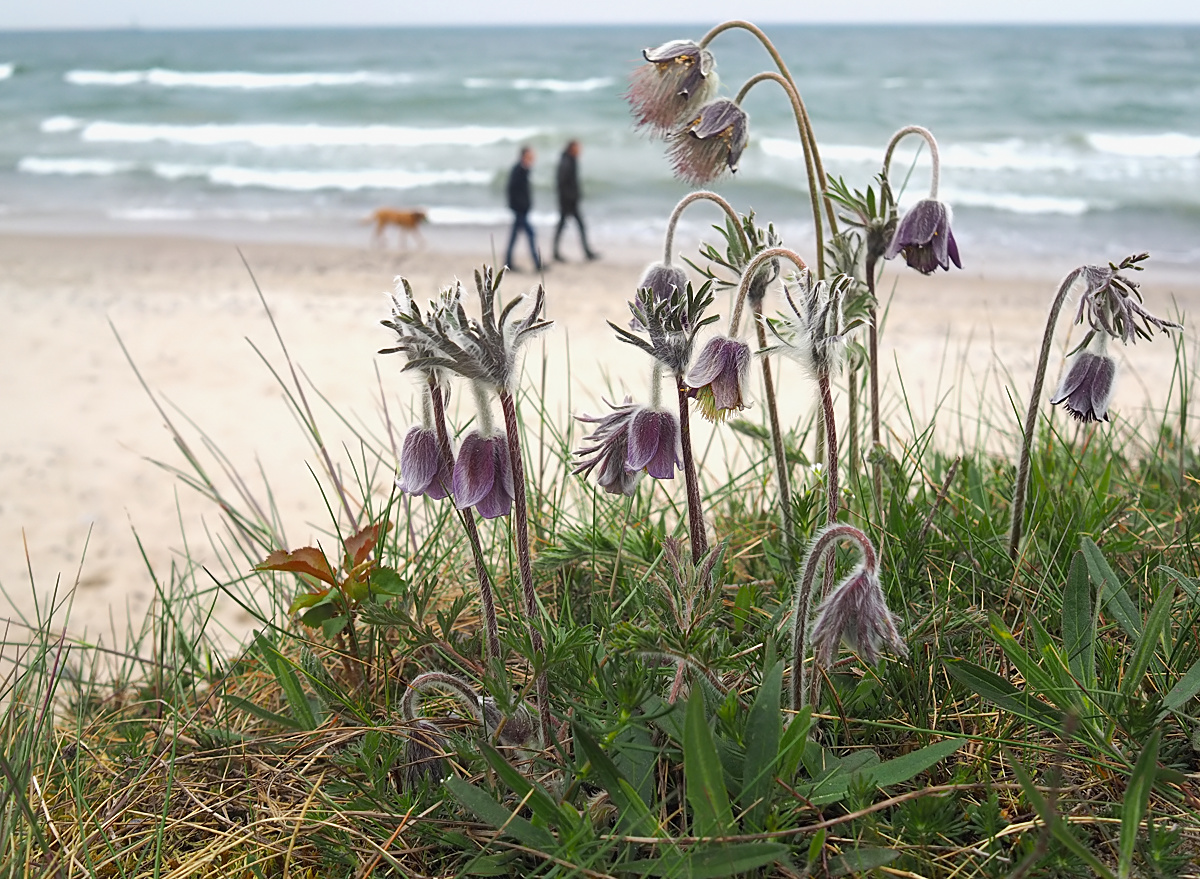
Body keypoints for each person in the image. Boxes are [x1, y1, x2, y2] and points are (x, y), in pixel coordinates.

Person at [553, 140, 599, 262]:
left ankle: (558, 252)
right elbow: (562, 183)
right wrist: (571, 197)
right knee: (574, 225)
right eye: (578, 148)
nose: (580, 150)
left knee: (567, 226)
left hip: (570, 200)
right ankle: (585, 252)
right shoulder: (567, 162)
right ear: (572, 148)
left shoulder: (571, 160)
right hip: (568, 202)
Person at [504, 146, 542, 272]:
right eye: (530, 155)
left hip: (522, 210)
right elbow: (511, 190)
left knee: (514, 237)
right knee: (530, 234)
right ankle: (537, 263)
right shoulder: (518, 170)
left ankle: (508, 263)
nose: (533, 158)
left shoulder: (525, 170)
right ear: (524, 156)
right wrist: (519, 206)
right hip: (519, 210)